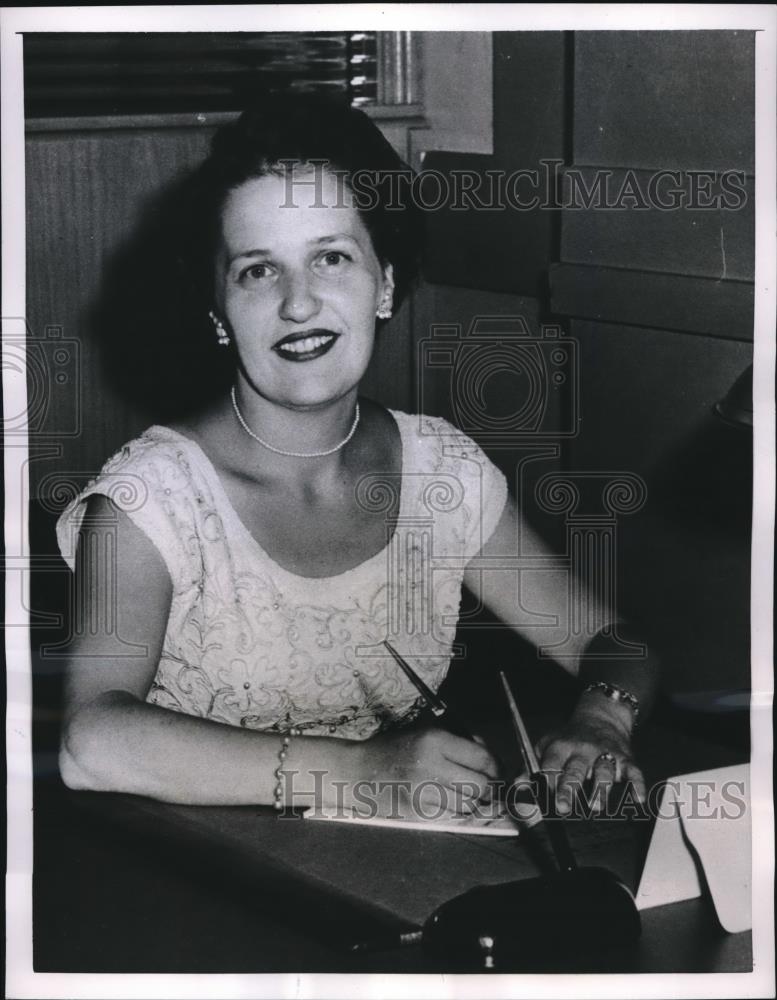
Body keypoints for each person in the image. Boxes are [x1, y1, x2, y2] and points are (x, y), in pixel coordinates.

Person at [56, 96, 657, 819]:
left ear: (387, 283)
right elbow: (89, 741)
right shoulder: (147, 502)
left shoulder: (440, 473)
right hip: (190, 882)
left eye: (331, 258)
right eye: (257, 271)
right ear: (216, 311)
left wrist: (601, 719)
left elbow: (612, 645)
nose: (299, 304)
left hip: (379, 876)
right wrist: (360, 773)